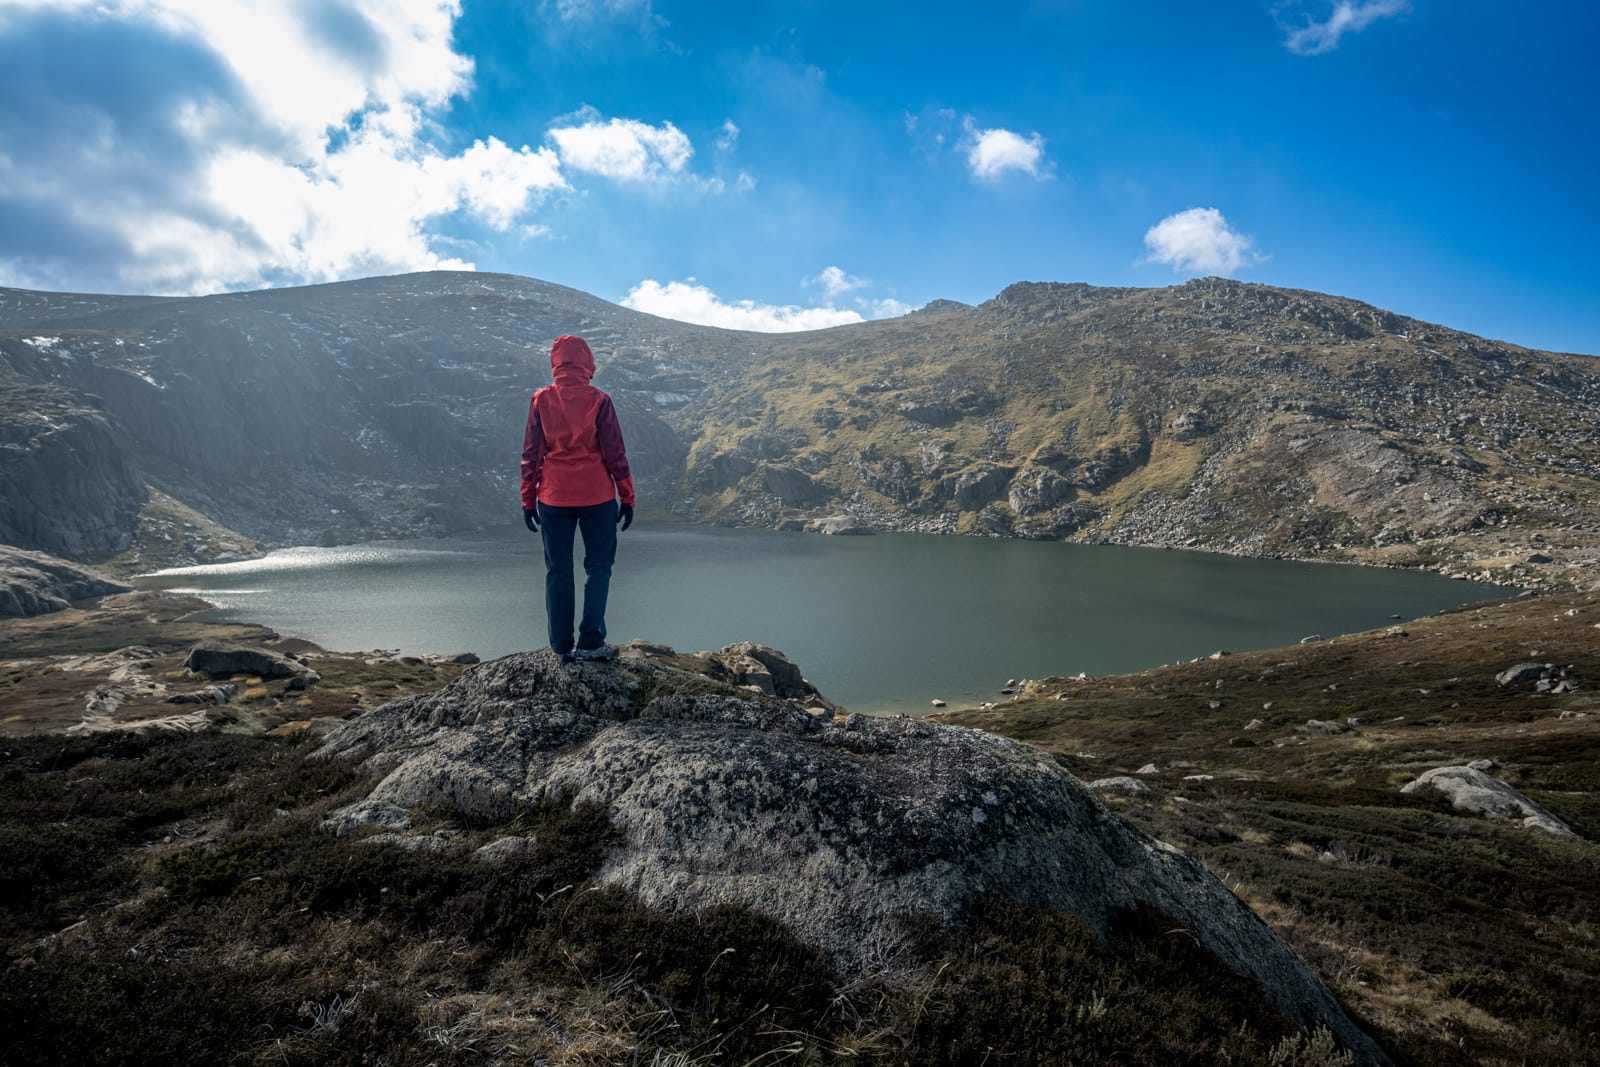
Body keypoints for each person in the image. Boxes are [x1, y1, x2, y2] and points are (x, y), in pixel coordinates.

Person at [520, 335, 635, 662]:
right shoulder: (599, 401)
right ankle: (591, 643)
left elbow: (532, 455)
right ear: (587, 362)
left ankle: (560, 646)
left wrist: (528, 499)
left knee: (558, 570)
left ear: (556, 362)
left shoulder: (541, 400)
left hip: (553, 497)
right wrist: (627, 497)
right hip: (597, 496)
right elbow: (616, 455)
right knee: (598, 568)